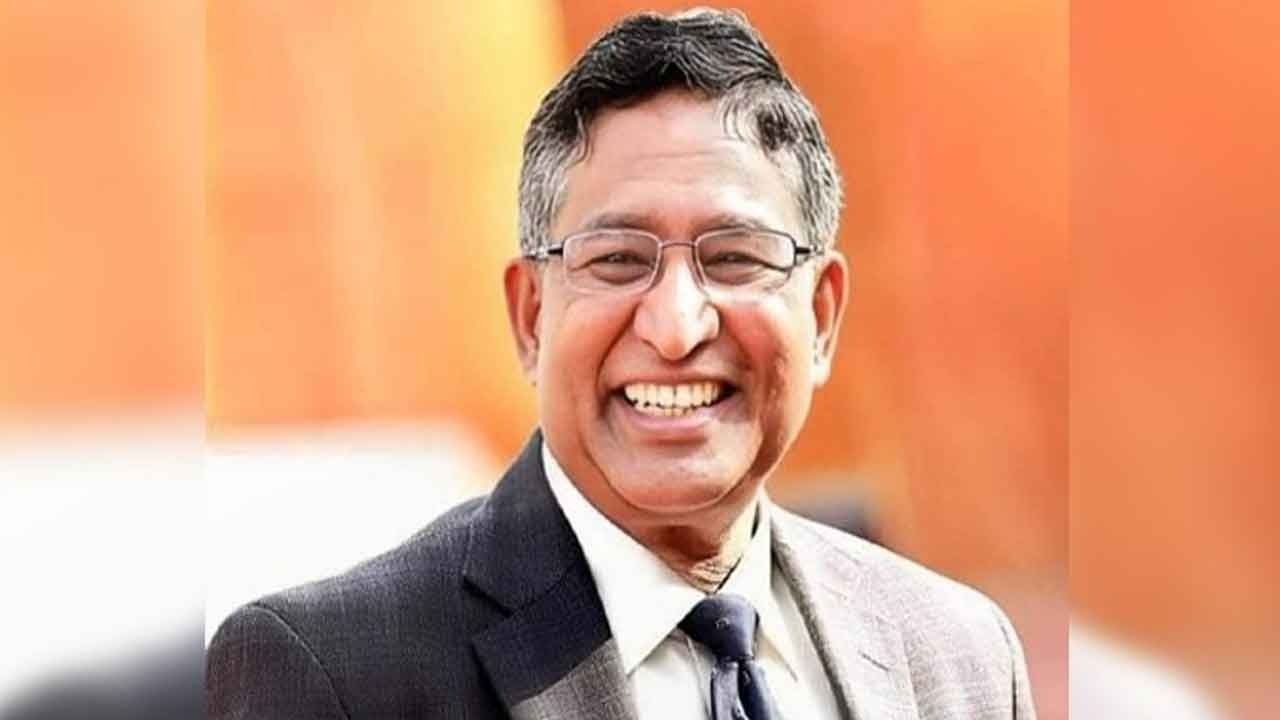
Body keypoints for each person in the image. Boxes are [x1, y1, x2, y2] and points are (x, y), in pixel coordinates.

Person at [206, 9, 1036, 719]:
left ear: (821, 316)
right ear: (531, 316)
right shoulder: (333, 675)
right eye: (616, 260)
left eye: (735, 257)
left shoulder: (958, 660)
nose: (675, 327)